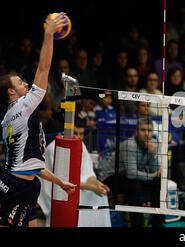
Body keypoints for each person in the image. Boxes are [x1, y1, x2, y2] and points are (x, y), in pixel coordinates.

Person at [0, 13, 76, 227]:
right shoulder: (25, 105)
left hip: (25, 184)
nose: (25, 84)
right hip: (17, 186)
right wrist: (49, 34)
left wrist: (59, 182)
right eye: (20, 82)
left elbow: (33, 164)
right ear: (11, 92)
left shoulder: (8, 117)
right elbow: (44, 67)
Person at [38, 119, 111, 227]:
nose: (79, 136)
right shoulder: (56, 148)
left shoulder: (81, 145)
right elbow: (63, 182)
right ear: (66, 132)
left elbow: (88, 173)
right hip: (57, 188)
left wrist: (97, 183)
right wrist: (92, 187)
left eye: (81, 134)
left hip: (76, 185)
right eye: (75, 133)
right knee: (82, 194)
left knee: (101, 196)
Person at [120, 117, 165, 227]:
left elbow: (155, 171)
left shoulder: (153, 144)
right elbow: (131, 173)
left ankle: (157, 223)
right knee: (134, 184)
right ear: (136, 132)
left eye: (149, 130)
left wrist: (154, 153)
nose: (146, 134)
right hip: (115, 176)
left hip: (133, 176)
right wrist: (151, 175)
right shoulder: (130, 144)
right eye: (143, 130)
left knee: (157, 182)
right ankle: (138, 225)